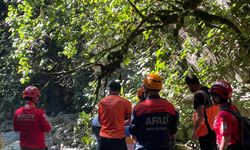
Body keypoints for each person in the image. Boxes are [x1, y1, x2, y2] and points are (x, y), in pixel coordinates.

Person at [129, 73, 178, 150]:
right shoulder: (170, 107)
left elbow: (133, 135)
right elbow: (173, 132)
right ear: (160, 88)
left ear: (145, 89)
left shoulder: (138, 108)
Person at [185, 74, 218, 150]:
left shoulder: (198, 95)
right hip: (214, 127)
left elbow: (200, 116)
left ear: (190, 85)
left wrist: (194, 131)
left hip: (205, 131)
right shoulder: (208, 90)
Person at [13, 86, 52, 150]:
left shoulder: (17, 112)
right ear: (36, 98)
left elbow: (16, 129)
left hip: (24, 147)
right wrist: (49, 123)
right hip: (38, 147)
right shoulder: (40, 112)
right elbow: (47, 129)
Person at [98, 80, 132, 150]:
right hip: (118, 138)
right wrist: (121, 124)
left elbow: (99, 119)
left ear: (109, 90)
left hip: (104, 137)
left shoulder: (102, 102)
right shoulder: (125, 102)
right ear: (119, 91)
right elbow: (130, 120)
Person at [209, 80, 241, 150]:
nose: (211, 98)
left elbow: (226, 137)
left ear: (217, 98)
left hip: (230, 147)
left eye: (212, 96)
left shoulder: (223, 114)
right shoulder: (232, 107)